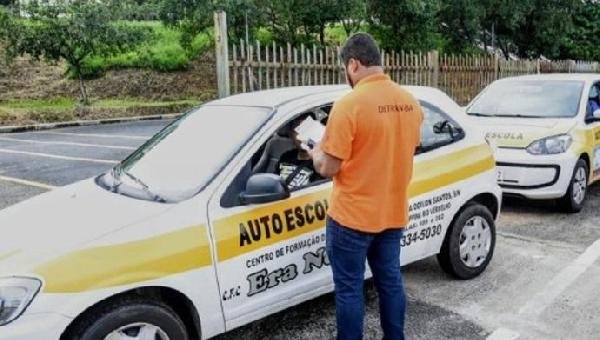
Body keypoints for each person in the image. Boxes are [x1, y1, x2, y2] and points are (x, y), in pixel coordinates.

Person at [309, 33, 423, 340]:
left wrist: (315, 151)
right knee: (390, 282)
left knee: (349, 290)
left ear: (353, 64)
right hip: (392, 214)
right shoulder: (409, 102)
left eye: (346, 69)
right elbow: (407, 147)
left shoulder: (349, 105)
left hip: (352, 219)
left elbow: (328, 167)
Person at [276, 116, 323, 190]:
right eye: (298, 130)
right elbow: (275, 183)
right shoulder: (286, 157)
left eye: (307, 130)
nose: (302, 136)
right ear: (291, 134)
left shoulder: (322, 160)